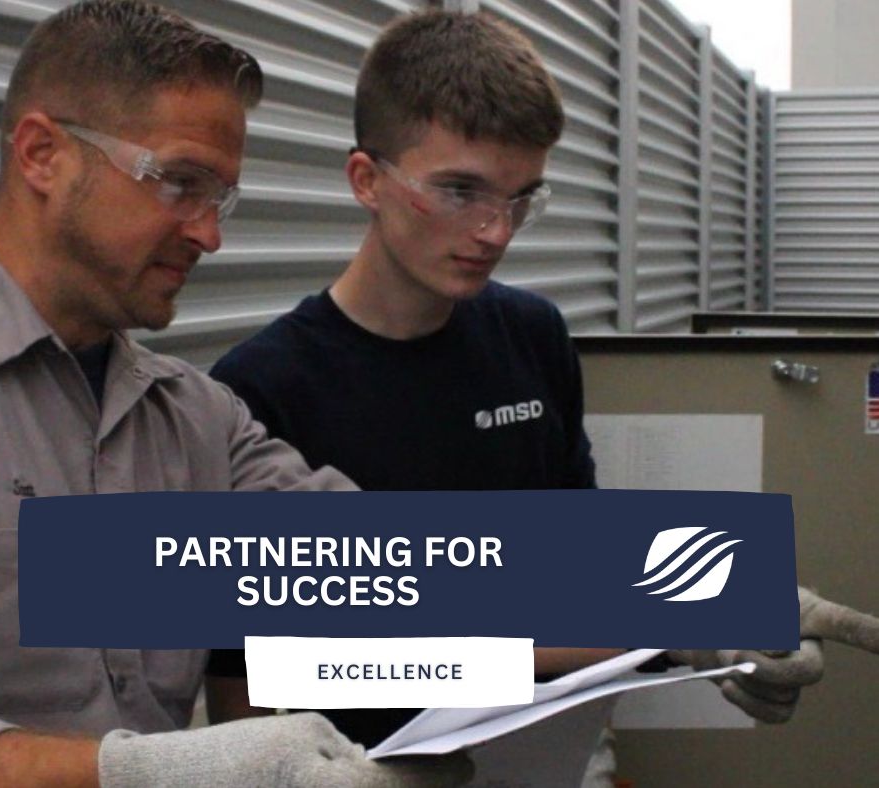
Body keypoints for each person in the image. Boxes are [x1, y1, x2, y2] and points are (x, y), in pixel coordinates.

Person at [205, 7, 825, 783]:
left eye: (521, 198)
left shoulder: (532, 337)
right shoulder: (261, 391)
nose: (495, 231)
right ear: (366, 179)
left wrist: (709, 616)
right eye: (460, 191)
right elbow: (244, 684)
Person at [0, 2, 472, 786]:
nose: (209, 235)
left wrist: (652, 598)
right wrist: (141, 772)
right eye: (180, 182)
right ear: (43, 155)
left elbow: (408, 574)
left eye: (219, 197)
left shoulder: (194, 421)